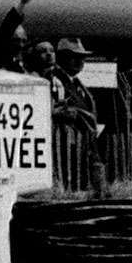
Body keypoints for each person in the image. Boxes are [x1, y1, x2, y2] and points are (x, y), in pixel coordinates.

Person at [48, 37, 105, 192]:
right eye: (74, 57)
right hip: (65, 144)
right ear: (62, 58)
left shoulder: (78, 85)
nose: (80, 62)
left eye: (82, 58)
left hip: (82, 144)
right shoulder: (54, 80)